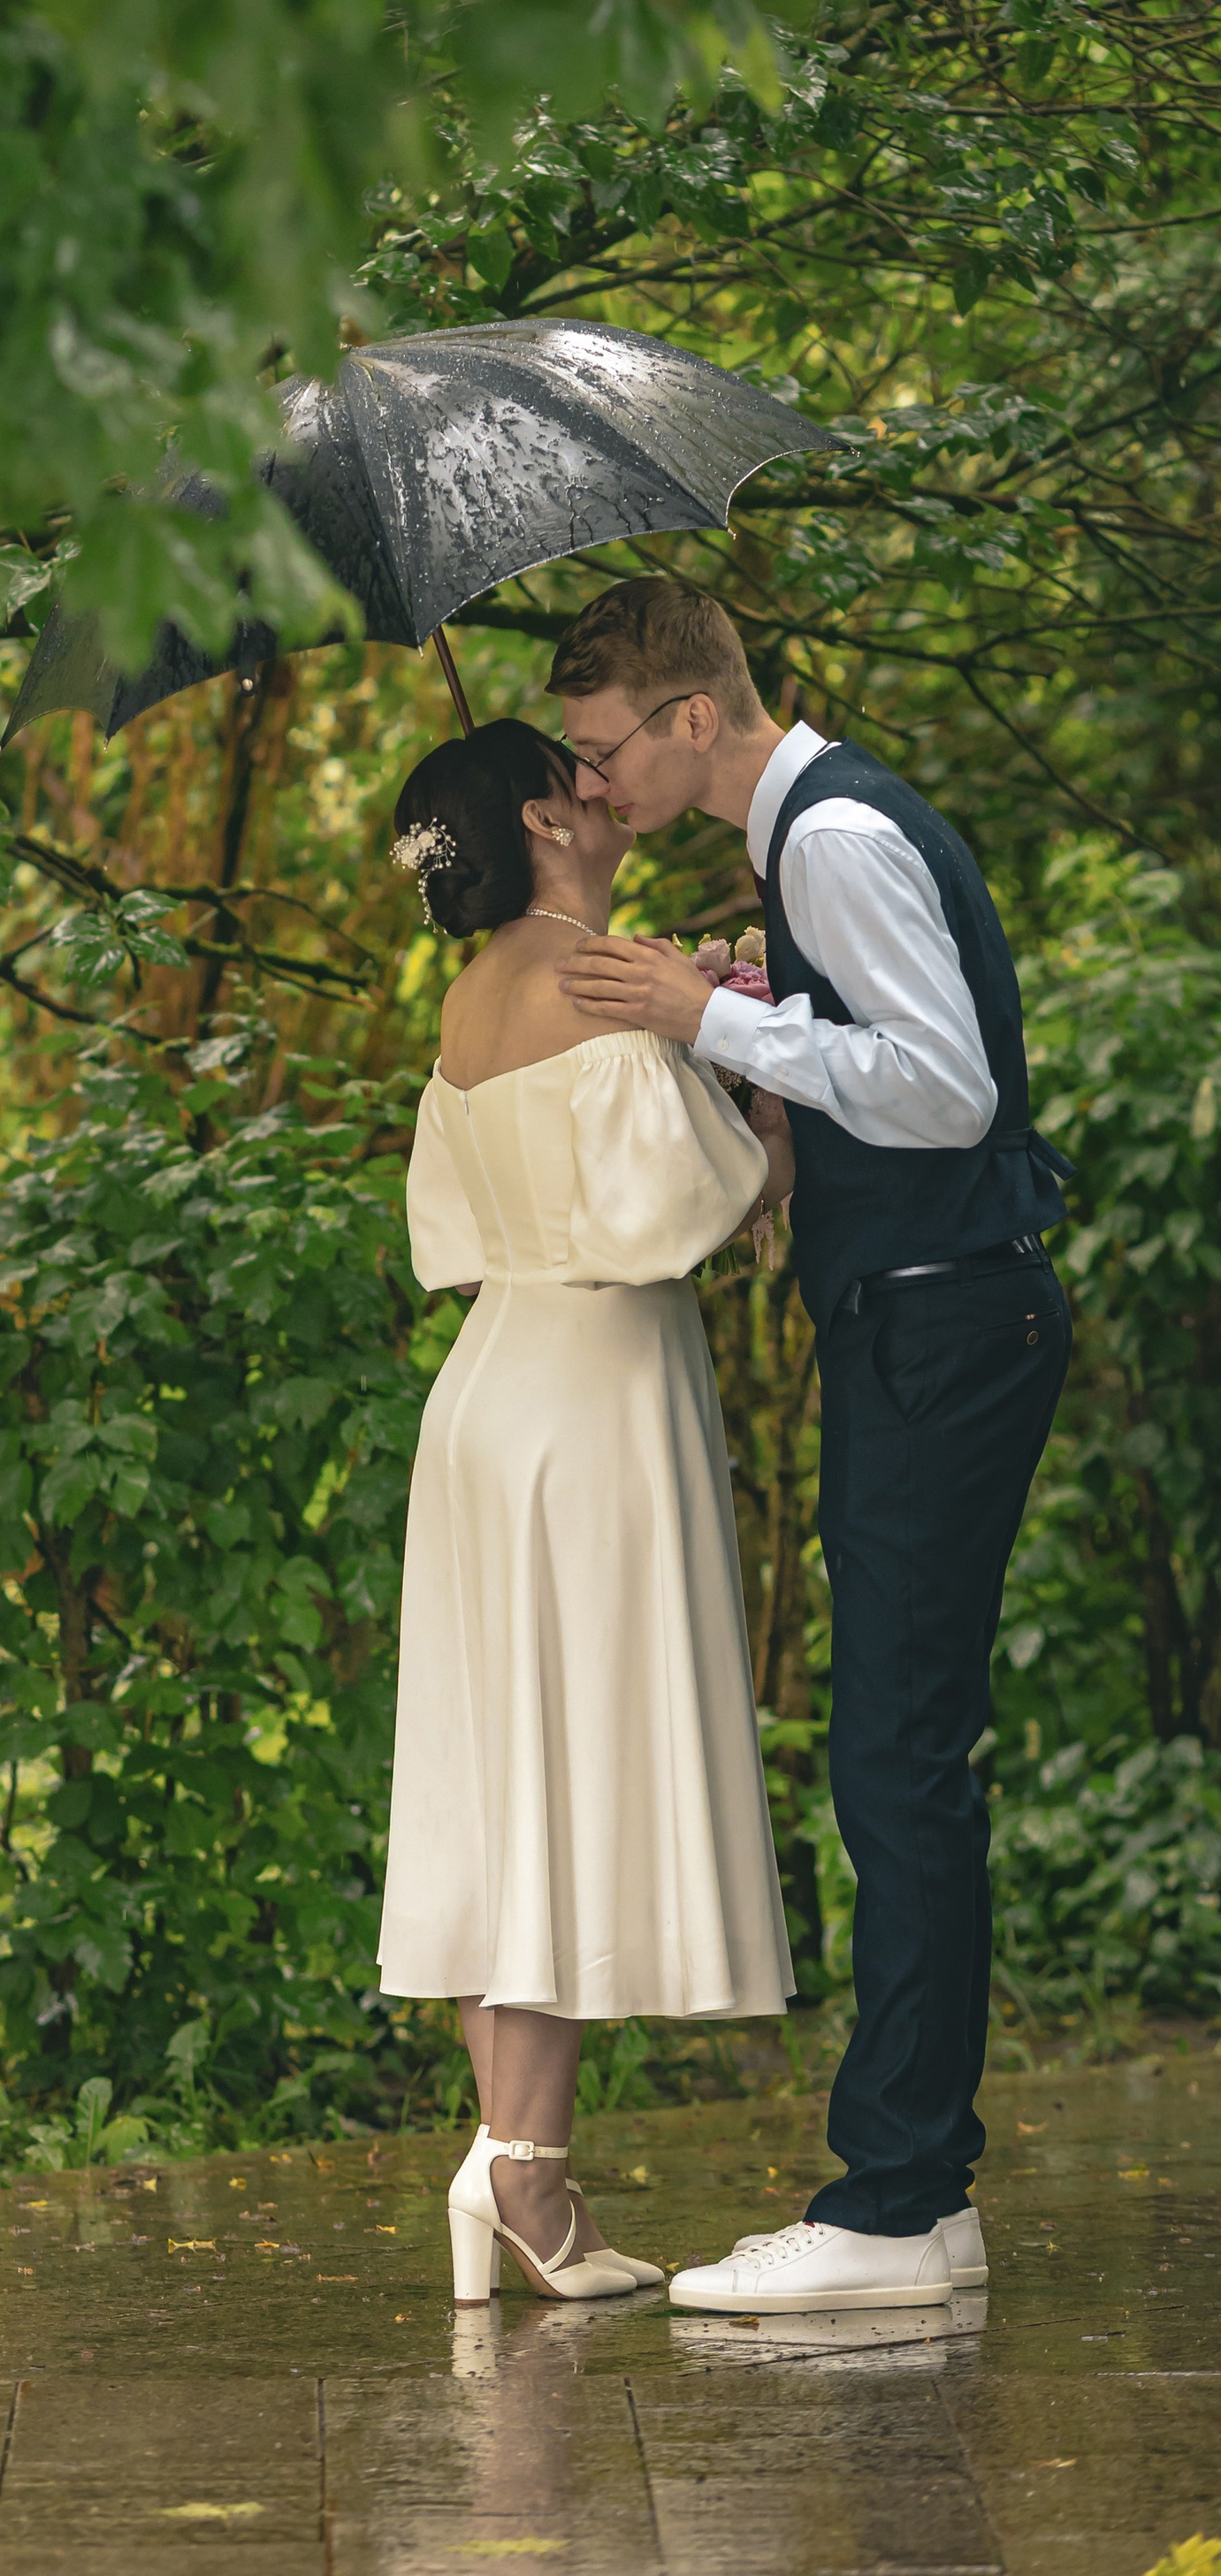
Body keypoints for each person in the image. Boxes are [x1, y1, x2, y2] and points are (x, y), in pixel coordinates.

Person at [547, 579, 1072, 2316]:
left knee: (896, 1763)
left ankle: (894, 2208)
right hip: (927, 1319)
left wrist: (707, 1022)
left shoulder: (830, 832)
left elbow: (946, 1094)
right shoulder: (816, 844)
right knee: (898, 1756)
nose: (594, 783)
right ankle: (914, 2193)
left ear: (690, 718)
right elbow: (897, 1055)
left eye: (602, 747)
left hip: (938, 1321)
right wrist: (774, 1004)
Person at [378, 718, 797, 2309]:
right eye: (589, 776)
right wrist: (765, 1112)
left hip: (491, 1391)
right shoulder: (589, 974)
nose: (614, 796)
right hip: (593, 1400)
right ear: (550, 817)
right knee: (557, 1788)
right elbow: (686, 1214)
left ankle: (511, 2164)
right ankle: (530, 2183)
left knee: (507, 1792)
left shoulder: (475, 993)